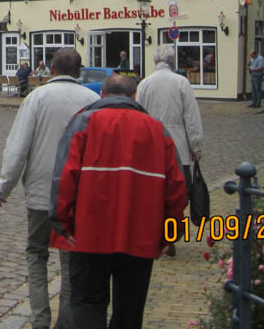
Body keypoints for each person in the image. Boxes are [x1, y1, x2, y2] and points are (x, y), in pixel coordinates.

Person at [50, 73, 186, 328]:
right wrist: (170, 233)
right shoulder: (157, 129)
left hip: (88, 234)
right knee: (130, 310)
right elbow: (177, 188)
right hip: (140, 235)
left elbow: (63, 178)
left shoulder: (82, 123)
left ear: (102, 94)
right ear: (134, 96)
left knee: (87, 304)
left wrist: (62, 224)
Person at [0, 47, 100, 329]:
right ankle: (66, 322)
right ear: (79, 71)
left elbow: (18, 147)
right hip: (77, 194)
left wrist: (3, 187)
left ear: (51, 69)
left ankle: (40, 319)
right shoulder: (93, 101)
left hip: (41, 193)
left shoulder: (36, 98)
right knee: (71, 261)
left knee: (36, 253)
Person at [137, 44, 204, 252]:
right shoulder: (181, 82)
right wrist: (196, 146)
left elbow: (138, 115)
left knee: (155, 192)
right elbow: (191, 117)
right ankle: (171, 234)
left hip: (151, 146)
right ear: (173, 62)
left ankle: (158, 231)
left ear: (155, 61)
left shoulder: (144, 84)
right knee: (179, 193)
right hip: (178, 147)